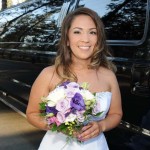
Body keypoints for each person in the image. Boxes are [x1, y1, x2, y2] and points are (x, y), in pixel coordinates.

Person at [26, 7, 123, 150]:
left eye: (92, 32)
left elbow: (116, 113)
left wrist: (101, 125)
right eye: (77, 32)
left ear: (99, 39)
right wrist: (58, 125)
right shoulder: (49, 74)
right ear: (66, 39)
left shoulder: (108, 76)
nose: (85, 39)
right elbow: (32, 114)